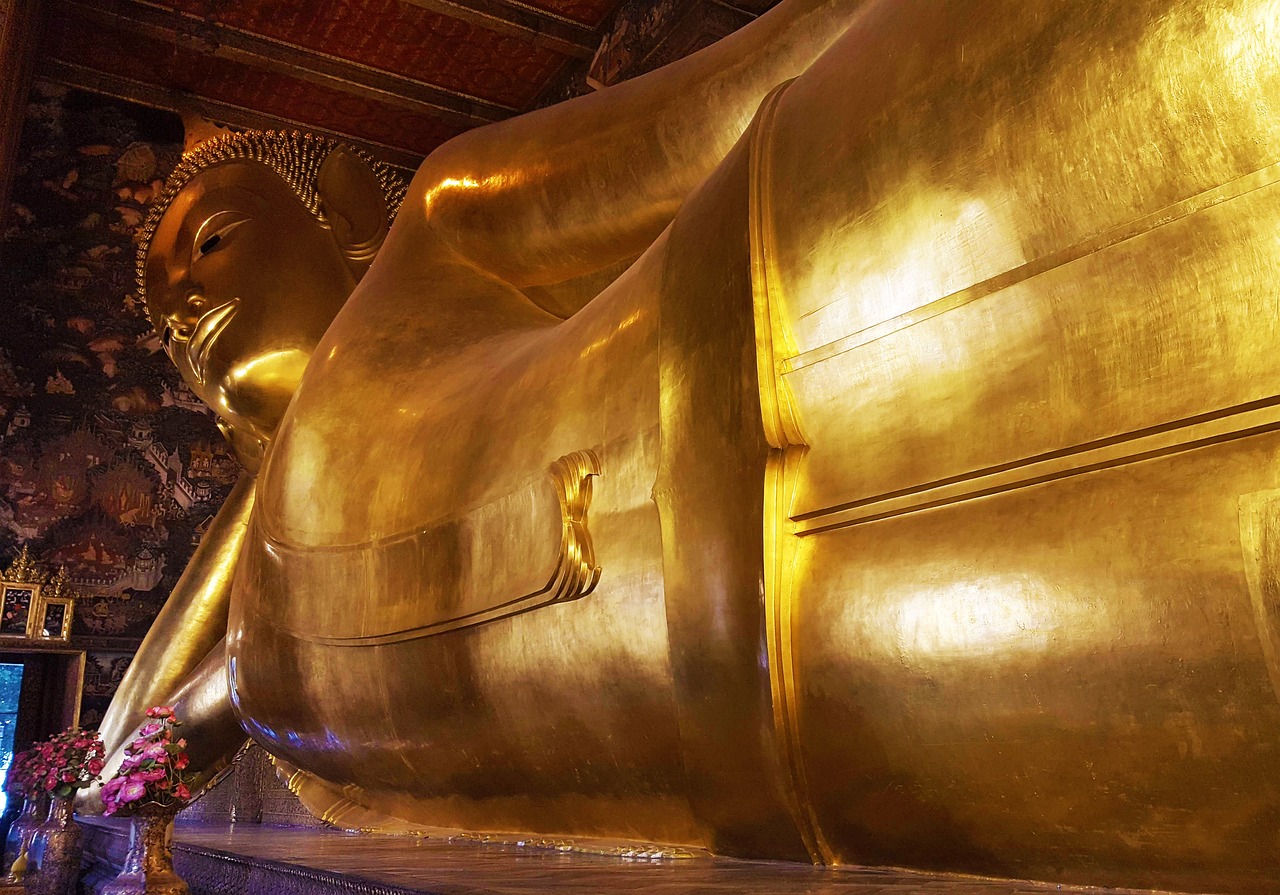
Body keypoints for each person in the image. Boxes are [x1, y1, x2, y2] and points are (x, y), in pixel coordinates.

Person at [97, 0, 1280, 891]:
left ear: (342, 210)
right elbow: (120, 753)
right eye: (160, 327)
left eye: (209, 247)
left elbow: (762, 72)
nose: (185, 317)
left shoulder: (440, 222)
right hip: (826, 706)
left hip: (811, 318)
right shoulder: (268, 613)